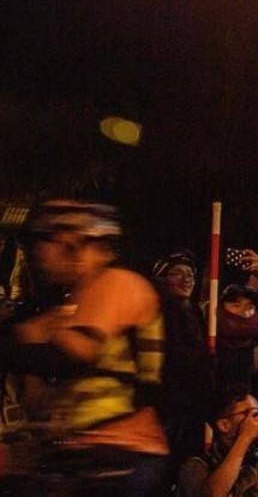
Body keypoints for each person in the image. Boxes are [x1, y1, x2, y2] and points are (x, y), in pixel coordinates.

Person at [0, 199, 170, 496]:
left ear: (77, 244)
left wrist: (18, 346)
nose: (39, 255)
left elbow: (68, 358)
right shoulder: (70, 306)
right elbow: (38, 399)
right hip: (87, 453)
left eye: (46, 242)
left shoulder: (118, 283)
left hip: (122, 451)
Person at [151, 249, 216, 469]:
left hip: (192, 408)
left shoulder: (193, 312)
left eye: (190, 274)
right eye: (177, 273)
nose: (186, 279)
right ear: (162, 278)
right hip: (166, 407)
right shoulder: (155, 312)